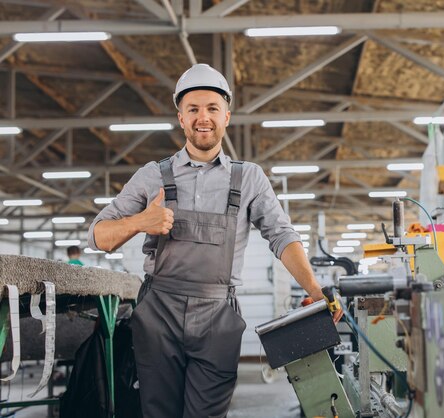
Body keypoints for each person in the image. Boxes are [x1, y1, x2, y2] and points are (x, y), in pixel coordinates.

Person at [87, 63, 341, 418]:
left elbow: (282, 235)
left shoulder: (249, 178)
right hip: (159, 312)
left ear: (226, 117)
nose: (202, 118)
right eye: (193, 109)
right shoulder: (151, 176)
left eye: (211, 109)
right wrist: (141, 221)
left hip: (217, 317)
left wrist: (315, 290)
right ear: (180, 118)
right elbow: (99, 235)